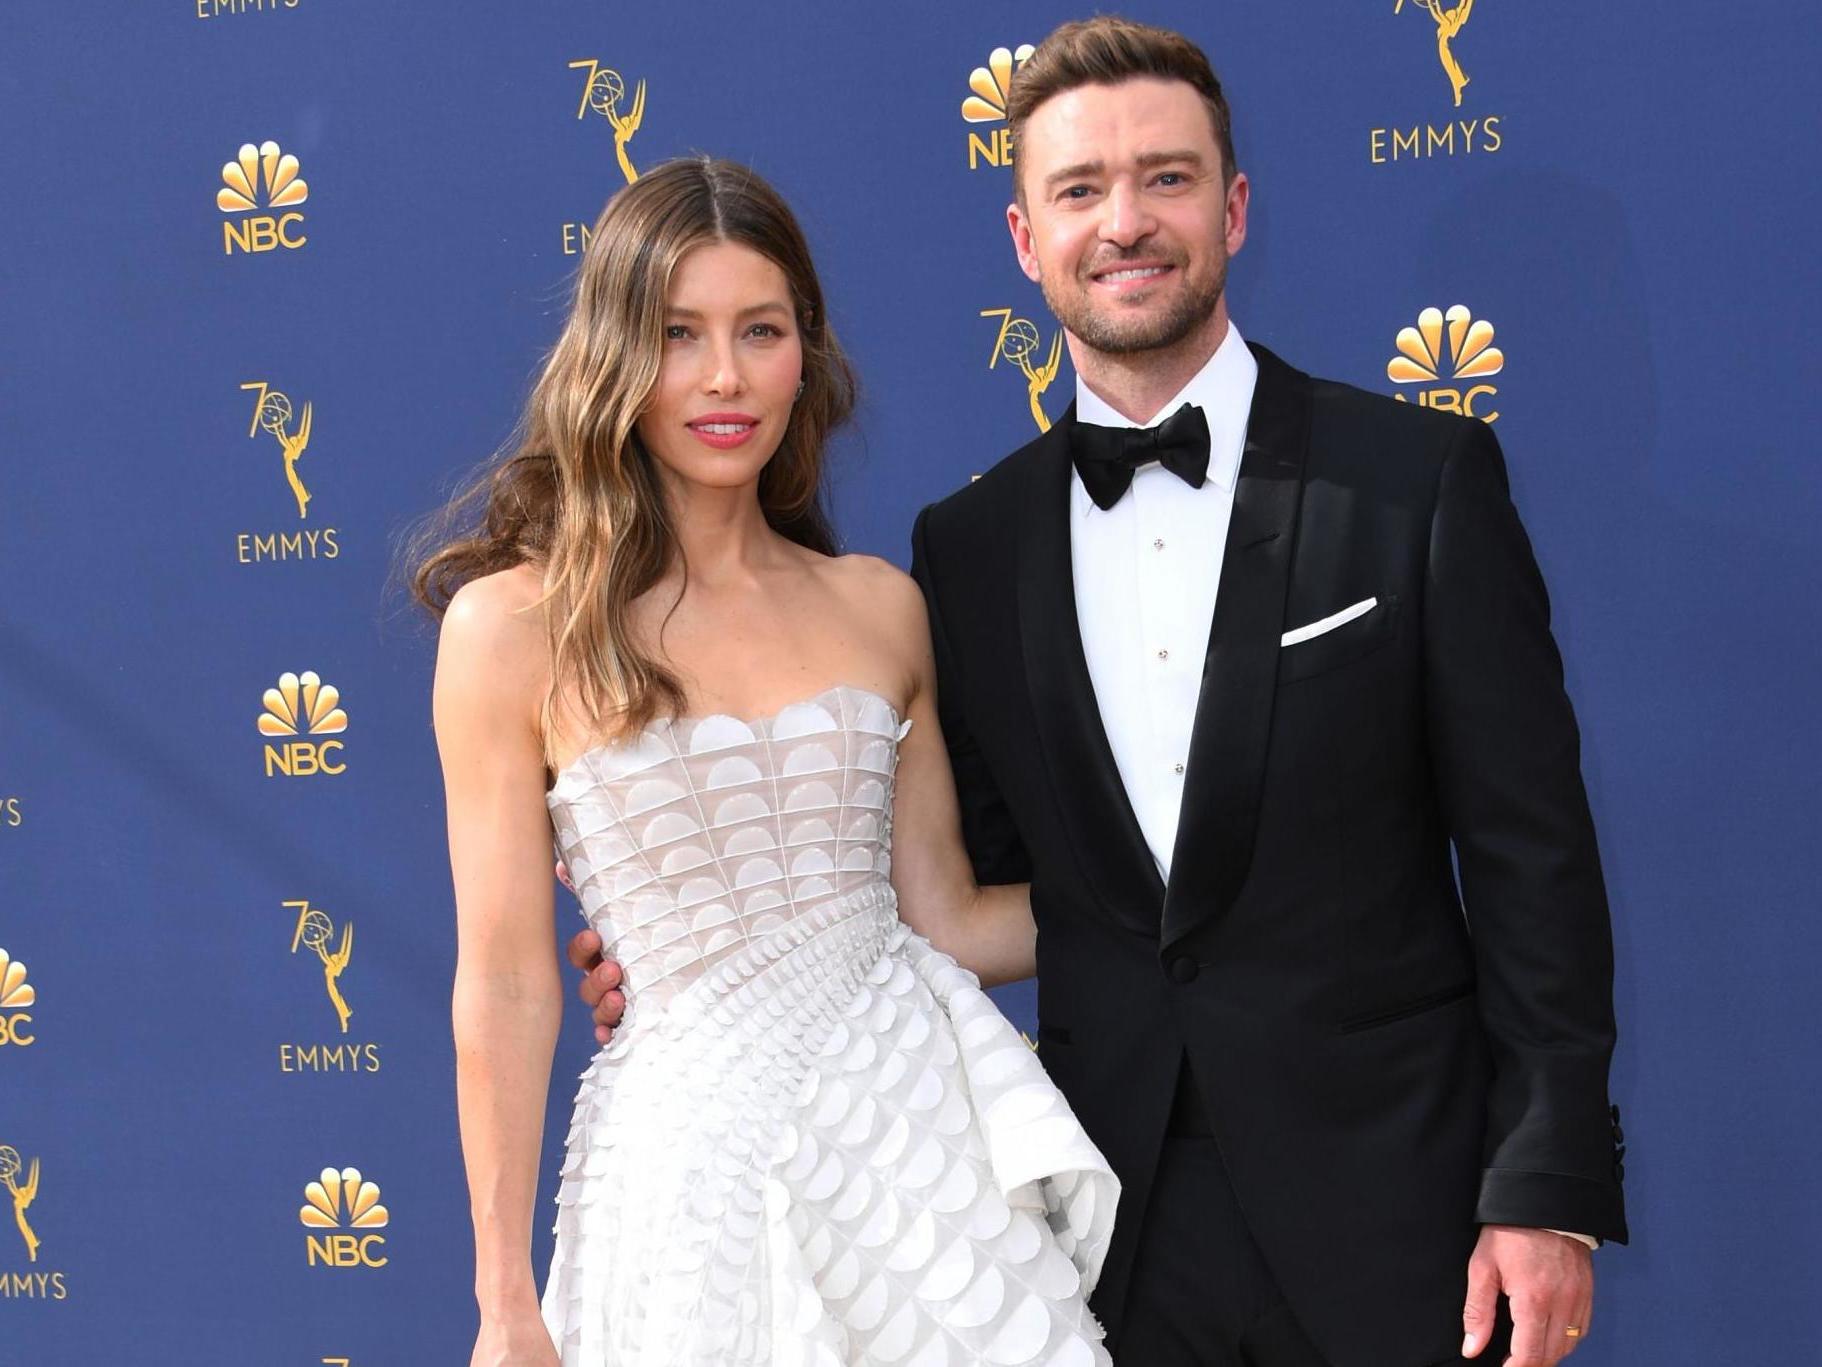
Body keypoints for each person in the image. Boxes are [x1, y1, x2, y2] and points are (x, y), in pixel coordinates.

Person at [568, 18, 1628, 1367]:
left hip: (1399, 1215)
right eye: (1078, 189)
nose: (1123, 221)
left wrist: (1542, 1188)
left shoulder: (1415, 483)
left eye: (1165, 177)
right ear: (1024, 237)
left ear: (1232, 207)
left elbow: (1535, 860)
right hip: (1098, 1240)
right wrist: (705, 944)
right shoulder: (966, 550)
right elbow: (949, 890)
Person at [416, 155, 1119, 1366]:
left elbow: (944, 916)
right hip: (689, 1176)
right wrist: (502, 1296)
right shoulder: (513, 629)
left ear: (809, 353)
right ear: (613, 360)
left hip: (913, 1158)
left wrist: (1182, 897)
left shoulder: (878, 606)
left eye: (761, 329)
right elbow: (507, 982)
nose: (725, 376)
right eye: (679, 335)